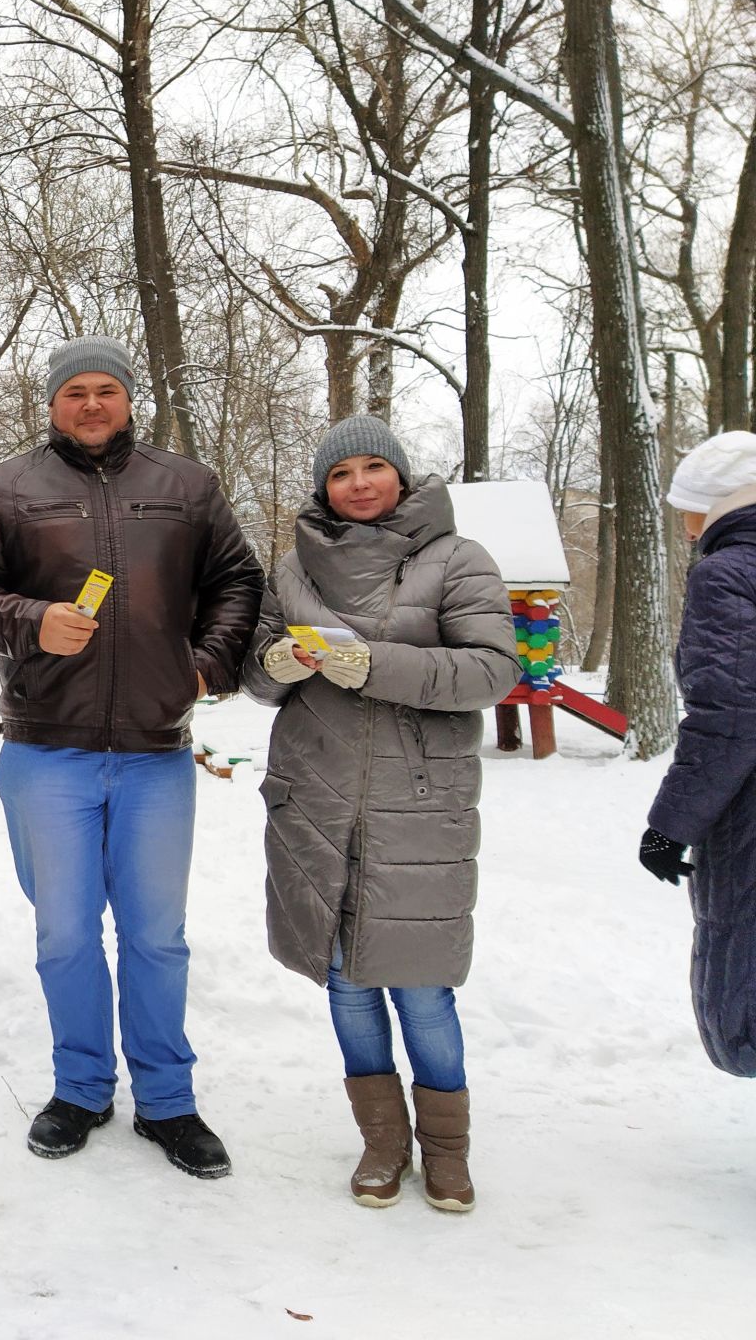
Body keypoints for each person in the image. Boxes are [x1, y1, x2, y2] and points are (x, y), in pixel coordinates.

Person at [0, 337, 262, 1178]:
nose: (90, 404)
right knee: (66, 935)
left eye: (106, 390)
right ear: (51, 403)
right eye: (74, 391)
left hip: (156, 753)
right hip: (48, 749)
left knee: (158, 938)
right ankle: (81, 1088)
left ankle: (168, 1101)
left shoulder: (186, 486)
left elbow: (237, 580)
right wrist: (30, 620)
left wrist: (206, 664)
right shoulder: (8, 487)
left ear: (128, 400)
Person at [240, 415, 519, 1212]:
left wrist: (375, 665)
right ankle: (381, 1142)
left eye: (373, 467)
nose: (358, 484)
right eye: (340, 474)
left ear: (401, 475)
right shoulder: (294, 568)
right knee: (344, 981)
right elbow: (256, 677)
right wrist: (277, 662)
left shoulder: (456, 559)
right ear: (323, 488)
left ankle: (447, 1151)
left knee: (422, 986)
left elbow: (491, 669)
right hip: (314, 796)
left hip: (417, 803)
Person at [640, 430, 756, 1082]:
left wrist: (668, 828)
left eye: (687, 509)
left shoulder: (725, 573)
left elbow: (728, 722)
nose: (685, 529)